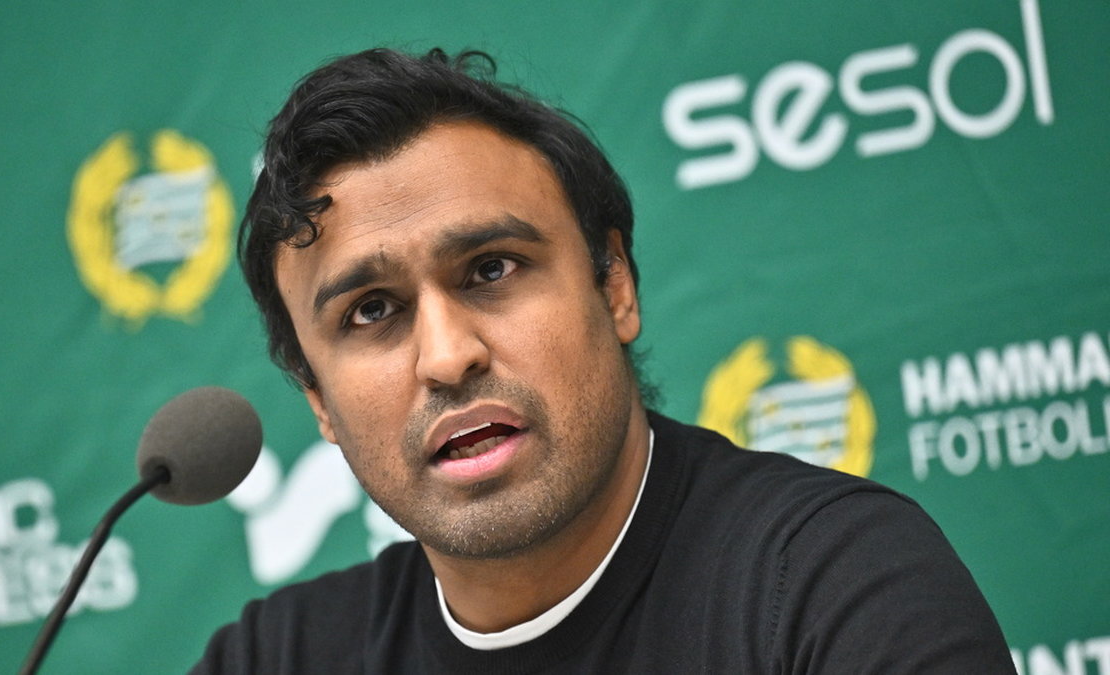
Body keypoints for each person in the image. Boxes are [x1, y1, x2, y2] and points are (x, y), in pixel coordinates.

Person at [192, 48, 1013, 673]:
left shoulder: (831, 582)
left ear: (614, 283)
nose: (447, 356)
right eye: (372, 311)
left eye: (490, 269)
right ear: (320, 401)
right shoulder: (277, 656)